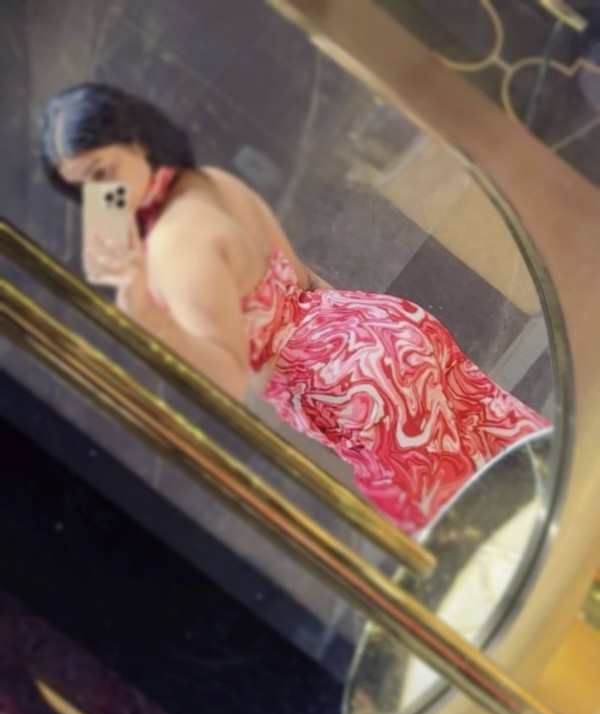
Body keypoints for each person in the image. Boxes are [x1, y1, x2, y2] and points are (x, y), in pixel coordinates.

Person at [39, 83, 550, 535]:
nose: (100, 193)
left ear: (136, 142)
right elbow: (301, 280)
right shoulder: (215, 184)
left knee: (489, 527)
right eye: (82, 186)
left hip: (351, 391)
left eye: (102, 173)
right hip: (383, 327)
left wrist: (145, 314)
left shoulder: (174, 245)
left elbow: (227, 378)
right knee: (527, 464)